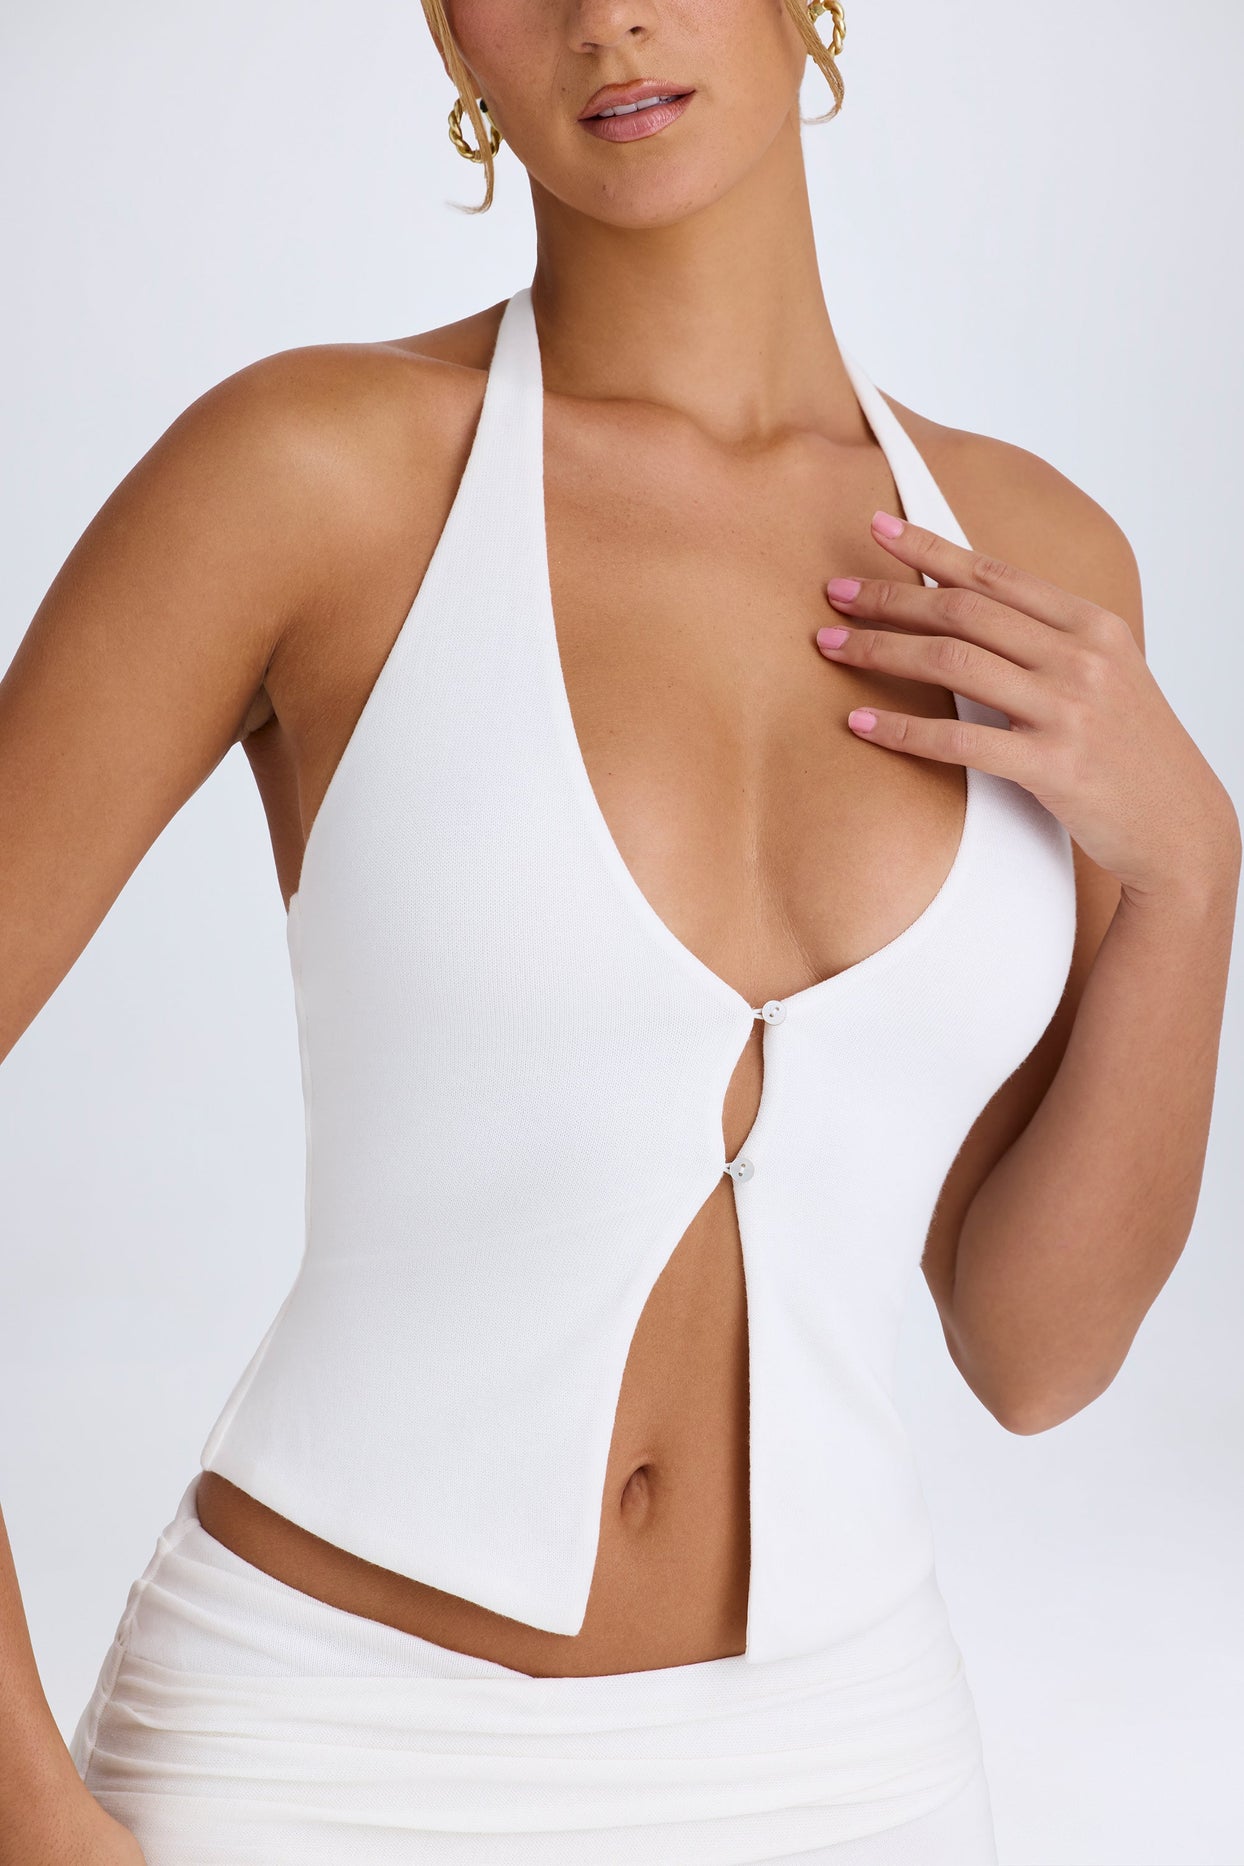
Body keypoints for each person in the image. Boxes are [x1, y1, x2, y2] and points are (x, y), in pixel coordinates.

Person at [1, 0, 1238, 1860]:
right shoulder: (311, 476)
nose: (606, 19)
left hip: (849, 1773)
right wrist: (28, 1812)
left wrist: (1194, 875)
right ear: (450, 35)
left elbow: (1032, 1351)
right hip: (322, 1750)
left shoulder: (1038, 565)